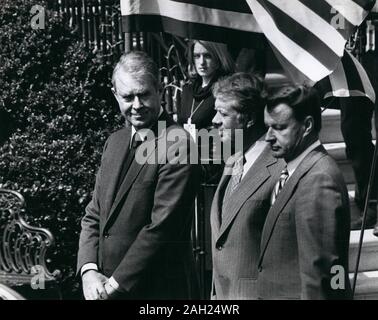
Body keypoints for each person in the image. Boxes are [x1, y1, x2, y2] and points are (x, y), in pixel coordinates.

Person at [77, 51, 200, 300]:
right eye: (127, 97)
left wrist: (113, 285)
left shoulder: (178, 144)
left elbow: (162, 228)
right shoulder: (115, 142)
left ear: (159, 89)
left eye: (143, 94)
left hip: (158, 292)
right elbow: (94, 213)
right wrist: (88, 271)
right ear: (115, 95)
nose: (136, 105)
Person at [258, 85, 352, 299]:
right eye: (268, 127)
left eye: (280, 127)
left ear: (307, 125)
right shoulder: (293, 169)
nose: (268, 137)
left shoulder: (318, 179)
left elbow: (321, 275)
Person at [210, 73, 284, 299]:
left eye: (223, 113)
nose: (214, 120)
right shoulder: (232, 161)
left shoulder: (281, 169)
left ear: (249, 118)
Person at [177, 40, 235, 130]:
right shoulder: (187, 89)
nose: (202, 62)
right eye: (197, 56)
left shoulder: (225, 91)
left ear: (218, 57)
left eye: (207, 56)